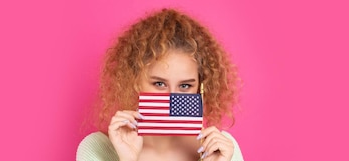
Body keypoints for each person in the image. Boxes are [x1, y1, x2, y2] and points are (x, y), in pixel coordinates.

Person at [77, 8, 243, 161]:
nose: (172, 97)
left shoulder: (222, 150)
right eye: (159, 83)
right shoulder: (97, 148)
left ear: (201, 87)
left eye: (185, 86)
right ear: (134, 81)